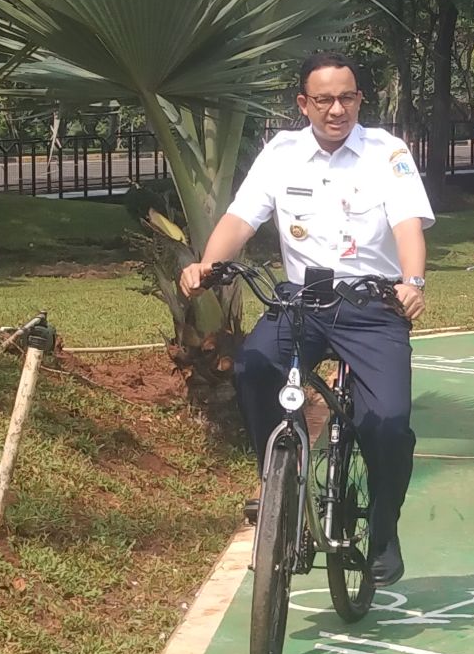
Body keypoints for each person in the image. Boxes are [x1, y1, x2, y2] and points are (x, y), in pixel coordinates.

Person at [180, 51, 433, 584]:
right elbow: (240, 218)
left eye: (348, 97)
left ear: (360, 99)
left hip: (372, 306)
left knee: (385, 423)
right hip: (301, 303)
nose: (337, 109)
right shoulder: (282, 152)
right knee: (252, 366)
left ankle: (384, 527)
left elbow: (408, 223)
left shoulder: (387, 152)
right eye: (324, 99)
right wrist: (208, 263)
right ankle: (278, 482)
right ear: (304, 103)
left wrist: (412, 283)